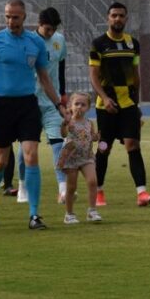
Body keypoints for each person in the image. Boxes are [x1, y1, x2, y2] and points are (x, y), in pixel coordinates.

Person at [0, 0, 64, 230]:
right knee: (1, 159)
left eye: (15, 17)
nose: (10, 21)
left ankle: (35, 215)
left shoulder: (35, 42)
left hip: (28, 104)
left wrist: (59, 104)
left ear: (24, 17)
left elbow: (44, 78)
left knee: (31, 156)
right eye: (7, 16)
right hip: (2, 105)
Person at [89, 2, 150, 207]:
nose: (117, 19)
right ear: (108, 18)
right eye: (114, 15)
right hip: (106, 106)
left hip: (128, 105)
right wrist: (104, 97)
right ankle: (99, 191)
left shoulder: (133, 44)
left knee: (133, 145)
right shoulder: (98, 44)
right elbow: (93, 76)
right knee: (103, 147)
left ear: (126, 19)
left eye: (121, 15)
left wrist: (136, 105)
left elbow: (135, 75)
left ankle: (142, 193)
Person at [36, 7, 69, 204]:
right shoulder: (30, 41)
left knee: (58, 143)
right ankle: (22, 184)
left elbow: (61, 67)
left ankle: (63, 190)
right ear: (39, 24)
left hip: (52, 101)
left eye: (52, 29)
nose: (50, 33)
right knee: (28, 148)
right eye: (47, 29)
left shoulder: (59, 40)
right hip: (30, 100)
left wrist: (62, 94)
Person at [56, 92, 103, 224]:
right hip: (71, 158)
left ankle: (92, 211)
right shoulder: (69, 122)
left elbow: (91, 136)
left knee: (93, 181)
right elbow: (63, 134)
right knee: (72, 187)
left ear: (88, 107)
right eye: (77, 104)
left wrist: (95, 137)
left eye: (83, 105)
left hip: (86, 157)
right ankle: (69, 214)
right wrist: (64, 125)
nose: (79, 107)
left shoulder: (89, 123)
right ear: (70, 106)